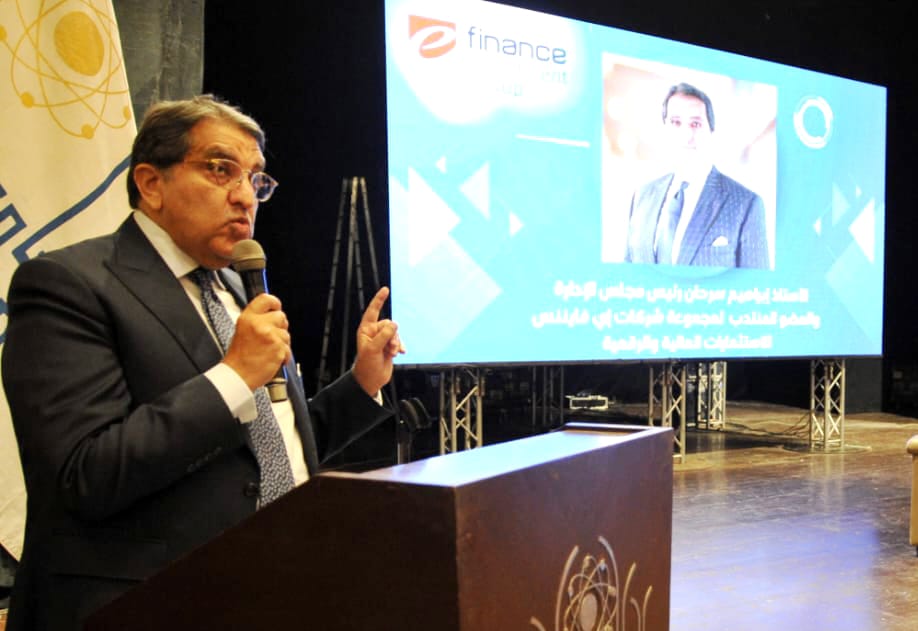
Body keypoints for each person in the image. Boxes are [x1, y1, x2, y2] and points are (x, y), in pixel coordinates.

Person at [1, 95, 404, 631]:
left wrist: (361, 382)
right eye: (220, 169)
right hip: (145, 605)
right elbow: (85, 474)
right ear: (151, 184)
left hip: (269, 588)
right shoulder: (68, 285)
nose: (245, 196)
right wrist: (234, 375)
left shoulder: (237, 286)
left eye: (256, 179)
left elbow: (269, 447)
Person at [624, 82, 769, 269]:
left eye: (696, 124)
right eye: (676, 122)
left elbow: (757, 284)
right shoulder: (641, 197)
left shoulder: (746, 204)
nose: (686, 135)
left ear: (711, 131)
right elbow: (627, 274)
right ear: (664, 129)